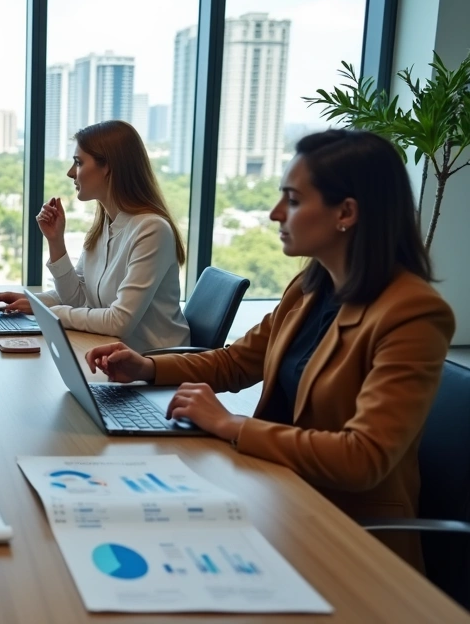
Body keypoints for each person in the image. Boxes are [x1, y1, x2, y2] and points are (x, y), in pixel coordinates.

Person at [85, 129, 454, 571]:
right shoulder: (310, 288)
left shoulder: (412, 312)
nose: (276, 213)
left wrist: (232, 425)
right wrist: (147, 367)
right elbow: (237, 362)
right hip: (274, 491)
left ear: (347, 212)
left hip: (345, 532)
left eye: (293, 201)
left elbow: (363, 459)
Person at [0, 121, 189, 352]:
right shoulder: (105, 225)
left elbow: (118, 322)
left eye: (78, 163)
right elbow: (78, 299)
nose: (71, 172)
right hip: (112, 354)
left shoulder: (151, 230)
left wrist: (43, 311)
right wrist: (55, 242)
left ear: (107, 166)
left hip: (155, 366)